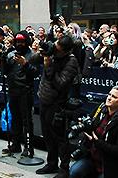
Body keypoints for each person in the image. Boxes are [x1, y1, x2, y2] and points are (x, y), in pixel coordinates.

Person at [69, 86, 118, 178]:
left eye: (114, 97)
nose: (109, 98)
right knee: (74, 172)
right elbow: (90, 124)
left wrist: (97, 142)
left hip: (110, 164)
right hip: (92, 157)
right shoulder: (101, 108)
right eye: (109, 94)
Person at [36, 36, 79, 176]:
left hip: (57, 103)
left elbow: (60, 84)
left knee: (60, 137)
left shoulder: (71, 62)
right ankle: (51, 163)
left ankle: (64, 168)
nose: (55, 51)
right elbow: (32, 61)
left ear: (65, 51)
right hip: (43, 100)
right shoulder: (52, 52)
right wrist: (40, 52)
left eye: (58, 50)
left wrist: (49, 66)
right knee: (47, 135)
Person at [1, 32, 41, 157]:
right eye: (17, 42)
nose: (19, 44)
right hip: (13, 90)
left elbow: (35, 73)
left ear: (27, 42)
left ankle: (29, 147)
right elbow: (5, 71)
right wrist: (3, 60)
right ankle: (15, 144)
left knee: (26, 120)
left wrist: (25, 64)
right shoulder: (11, 54)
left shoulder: (32, 56)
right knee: (15, 118)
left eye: (22, 42)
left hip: (25, 90)